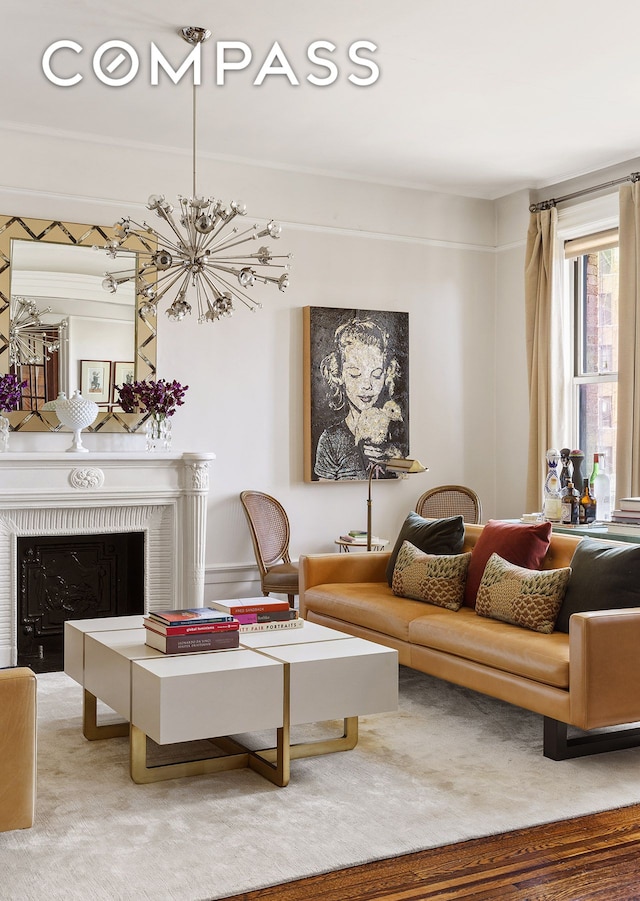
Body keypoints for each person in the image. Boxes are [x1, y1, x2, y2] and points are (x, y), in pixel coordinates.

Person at [314, 317, 405, 480]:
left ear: (386, 373)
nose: (367, 385)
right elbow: (322, 497)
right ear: (338, 374)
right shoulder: (331, 440)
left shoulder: (395, 431)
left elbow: (406, 475)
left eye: (376, 375)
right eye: (355, 374)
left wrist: (392, 459)